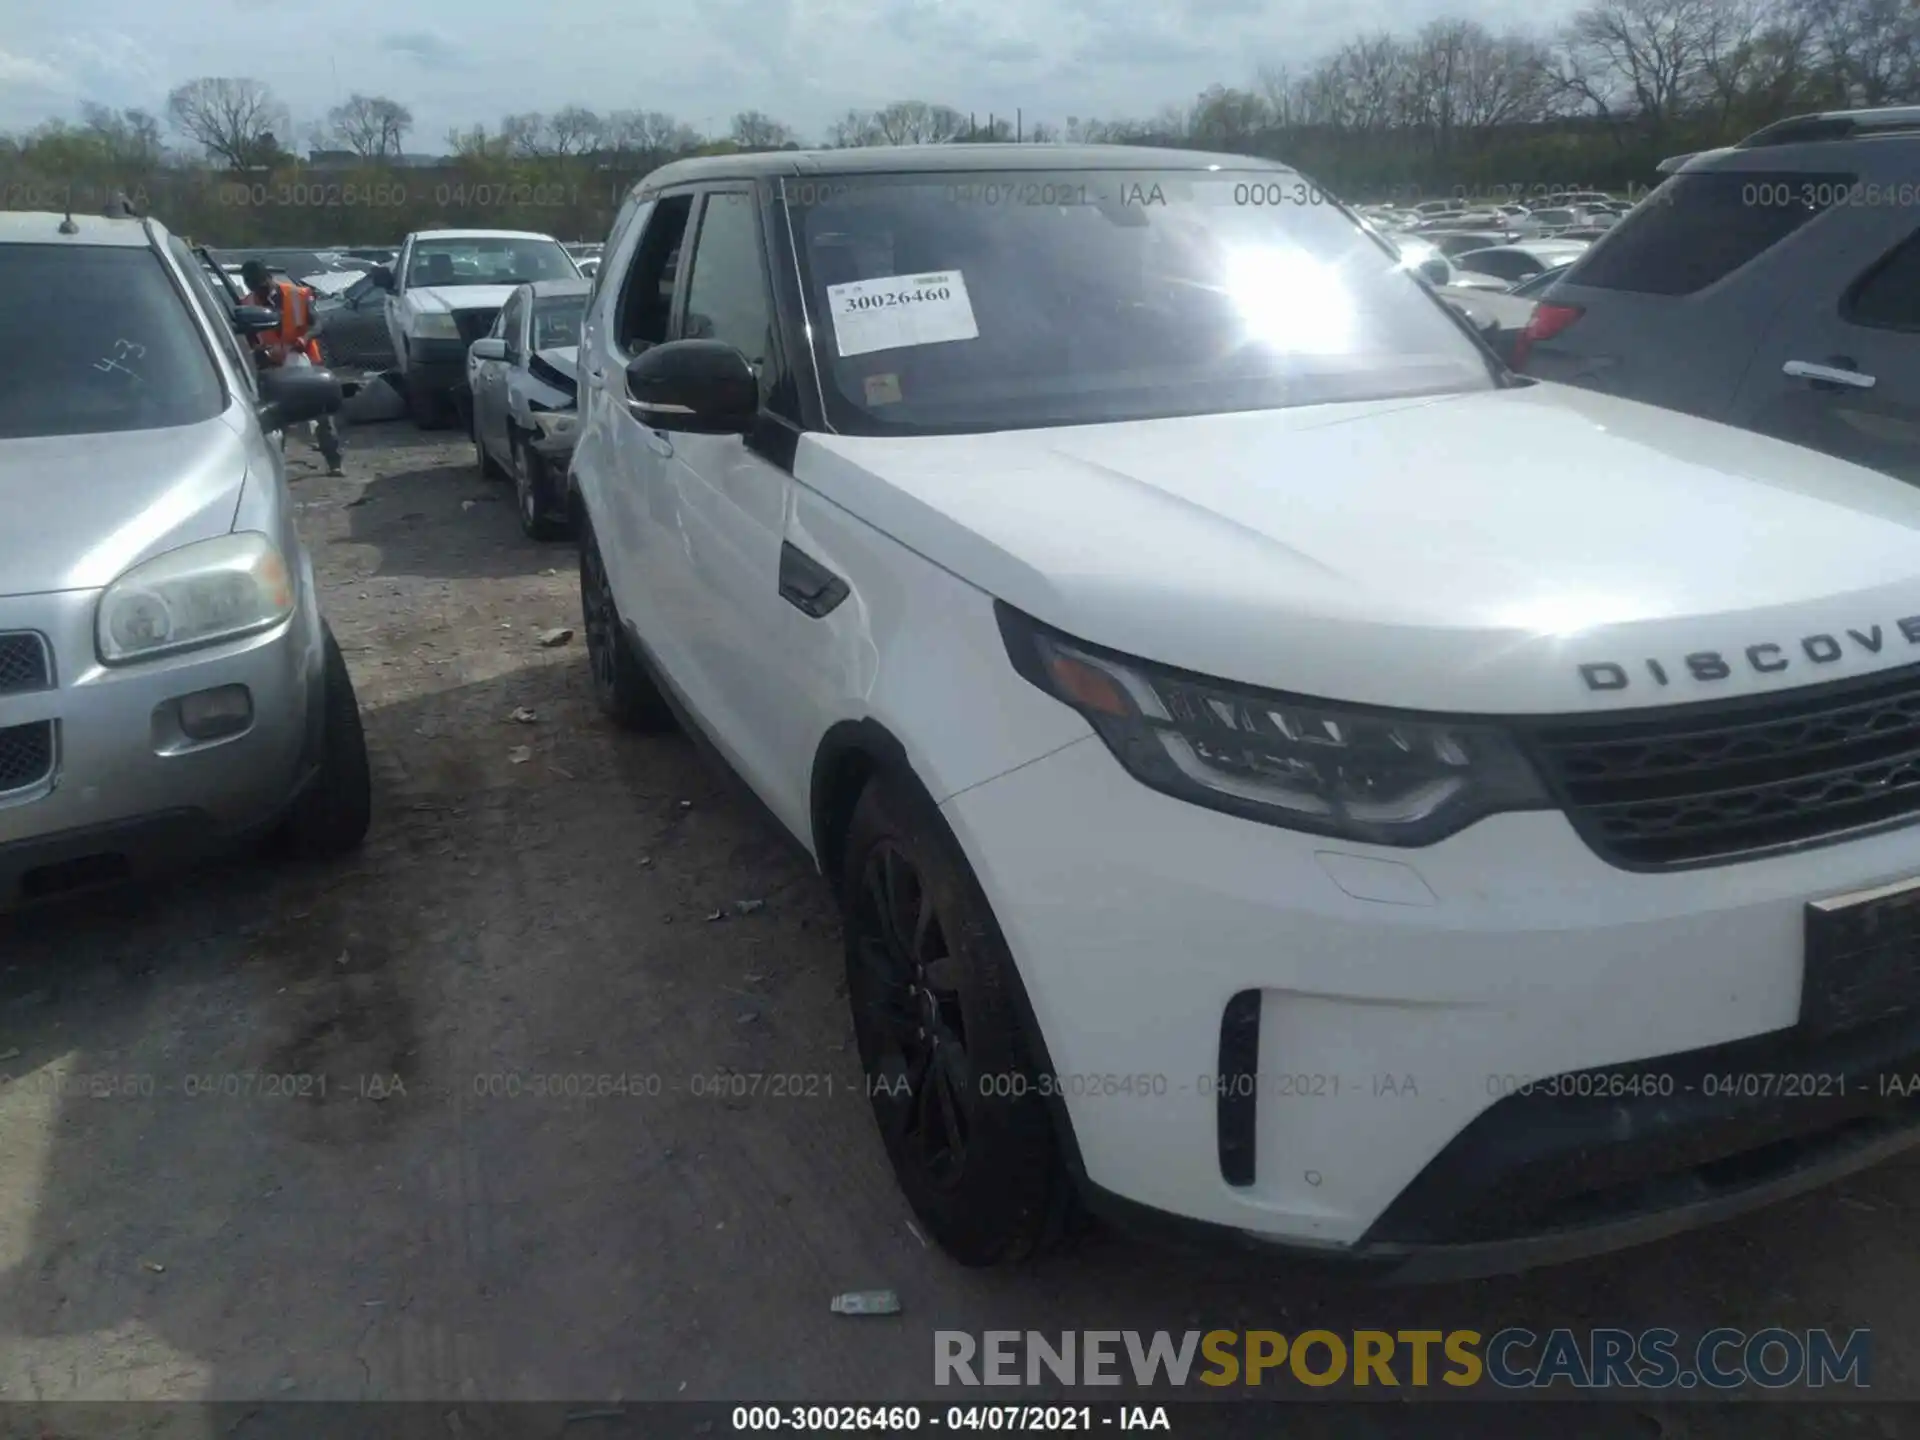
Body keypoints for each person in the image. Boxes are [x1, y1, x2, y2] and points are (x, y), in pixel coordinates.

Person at [241, 259, 342, 475]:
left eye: (261, 287)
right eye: (254, 288)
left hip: (306, 363)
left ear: (269, 278)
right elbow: (250, 339)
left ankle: (334, 463)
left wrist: (304, 339)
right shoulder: (247, 304)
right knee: (277, 420)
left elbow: (317, 324)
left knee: (322, 415)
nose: (259, 293)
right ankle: (275, 469)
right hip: (274, 368)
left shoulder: (297, 295)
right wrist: (260, 353)